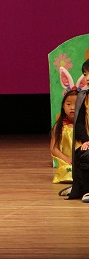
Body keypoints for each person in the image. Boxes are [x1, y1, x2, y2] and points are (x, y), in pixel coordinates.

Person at [50, 67, 81, 184]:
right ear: (63, 106)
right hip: (67, 162)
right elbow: (54, 149)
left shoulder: (84, 125)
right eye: (68, 104)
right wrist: (67, 160)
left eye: (76, 104)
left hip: (82, 161)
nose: (72, 108)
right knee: (69, 172)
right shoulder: (60, 126)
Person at [65, 59, 89, 203]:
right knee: (82, 153)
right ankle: (82, 188)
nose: (87, 78)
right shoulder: (83, 96)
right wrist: (86, 140)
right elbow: (79, 123)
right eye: (85, 74)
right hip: (88, 141)